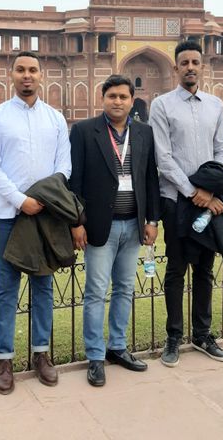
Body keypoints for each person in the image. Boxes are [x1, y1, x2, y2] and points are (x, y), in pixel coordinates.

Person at [0, 51, 71, 395]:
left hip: (45, 214)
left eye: (33, 70)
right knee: (7, 286)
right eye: (21, 70)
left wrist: (43, 200)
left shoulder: (55, 118)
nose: (27, 76)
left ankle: (41, 355)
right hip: (8, 213)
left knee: (43, 285)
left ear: (41, 75)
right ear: (12, 75)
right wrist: (21, 200)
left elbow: (64, 166)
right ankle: (5, 360)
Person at [69, 75, 159, 387]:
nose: (117, 101)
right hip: (98, 227)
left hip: (133, 224)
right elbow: (75, 181)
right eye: (112, 96)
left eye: (123, 96)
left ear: (132, 100)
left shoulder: (144, 132)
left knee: (124, 289)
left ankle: (117, 347)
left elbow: (150, 179)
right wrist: (76, 222)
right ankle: (95, 355)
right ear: (103, 99)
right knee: (95, 292)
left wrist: (152, 221)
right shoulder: (84, 131)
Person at [149, 40, 223, 367]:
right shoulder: (163, 105)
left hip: (209, 200)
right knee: (176, 268)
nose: (190, 67)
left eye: (195, 62)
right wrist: (192, 191)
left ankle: (201, 334)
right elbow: (163, 157)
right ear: (175, 68)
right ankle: (173, 336)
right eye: (184, 63)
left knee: (205, 269)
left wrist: (210, 191)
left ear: (202, 65)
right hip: (176, 199)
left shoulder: (215, 104)